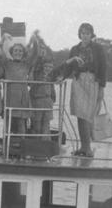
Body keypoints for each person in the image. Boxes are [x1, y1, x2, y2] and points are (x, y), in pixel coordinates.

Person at [56, 22, 107, 157]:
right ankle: (84, 147)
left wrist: (102, 87)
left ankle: (87, 148)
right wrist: (63, 77)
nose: (85, 36)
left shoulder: (98, 49)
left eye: (88, 33)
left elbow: (103, 67)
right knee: (80, 116)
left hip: (92, 81)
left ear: (91, 35)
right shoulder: (75, 49)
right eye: (83, 33)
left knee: (87, 115)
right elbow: (70, 66)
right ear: (80, 34)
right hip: (78, 81)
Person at [0, 31, 41, 139]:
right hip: (9, 96)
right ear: (12, 52)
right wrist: (3, 39)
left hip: (22, 97)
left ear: (23, 53)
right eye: (16, 50)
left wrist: (35, 40)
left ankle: (22, 146)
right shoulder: (7, 63)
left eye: (20, 51)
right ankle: (6, 146)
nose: (18, 52)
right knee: (7, 122)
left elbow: (35, 53)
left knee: (22, 123)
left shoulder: (26, 64)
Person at [29, 49, 56, 136]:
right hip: (37, 101)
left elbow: (52, 90)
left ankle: (46, 142)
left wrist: (52, 99)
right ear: (42, 67)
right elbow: (36, 64)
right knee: (36, 123)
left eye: (50, 67)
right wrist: (40, 56)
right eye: (46, 66)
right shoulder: (37, 74)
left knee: (46, 123)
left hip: (47, 101)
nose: (48, 69)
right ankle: (36, 142)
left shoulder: (51, 77)